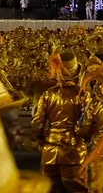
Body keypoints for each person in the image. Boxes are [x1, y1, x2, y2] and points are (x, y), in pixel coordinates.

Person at [31, 52, 87, 192]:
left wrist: (41, 140)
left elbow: (37, 124)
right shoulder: (83, 94)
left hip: (50, 151)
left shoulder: (47, 94)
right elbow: (87, 122)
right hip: (74, 151)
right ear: (76, 74)